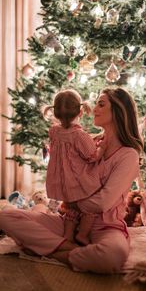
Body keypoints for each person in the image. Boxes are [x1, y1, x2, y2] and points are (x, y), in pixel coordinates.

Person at [0, 87, 144, 274]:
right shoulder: (88, 141)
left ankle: (57, 252)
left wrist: (72, 202)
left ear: (118, 110)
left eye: (101, 104)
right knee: (6, 216)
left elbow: (103, 202)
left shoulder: (128, 155)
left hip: (105, 227)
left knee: (113, 256)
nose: (94, 108)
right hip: (70, 221)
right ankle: (70, 247)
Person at [46, 89, 107, 245]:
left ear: (56, 113)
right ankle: (82, 234)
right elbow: (91, 155)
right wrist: (102, 147)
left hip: (62, 182)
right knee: (89, 209)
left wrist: (92, 139)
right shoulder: (79, 135)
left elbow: (68, 146)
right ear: (81, 112)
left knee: (71, 209)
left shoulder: (53, 131)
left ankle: (68, 236)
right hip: (78, 181)